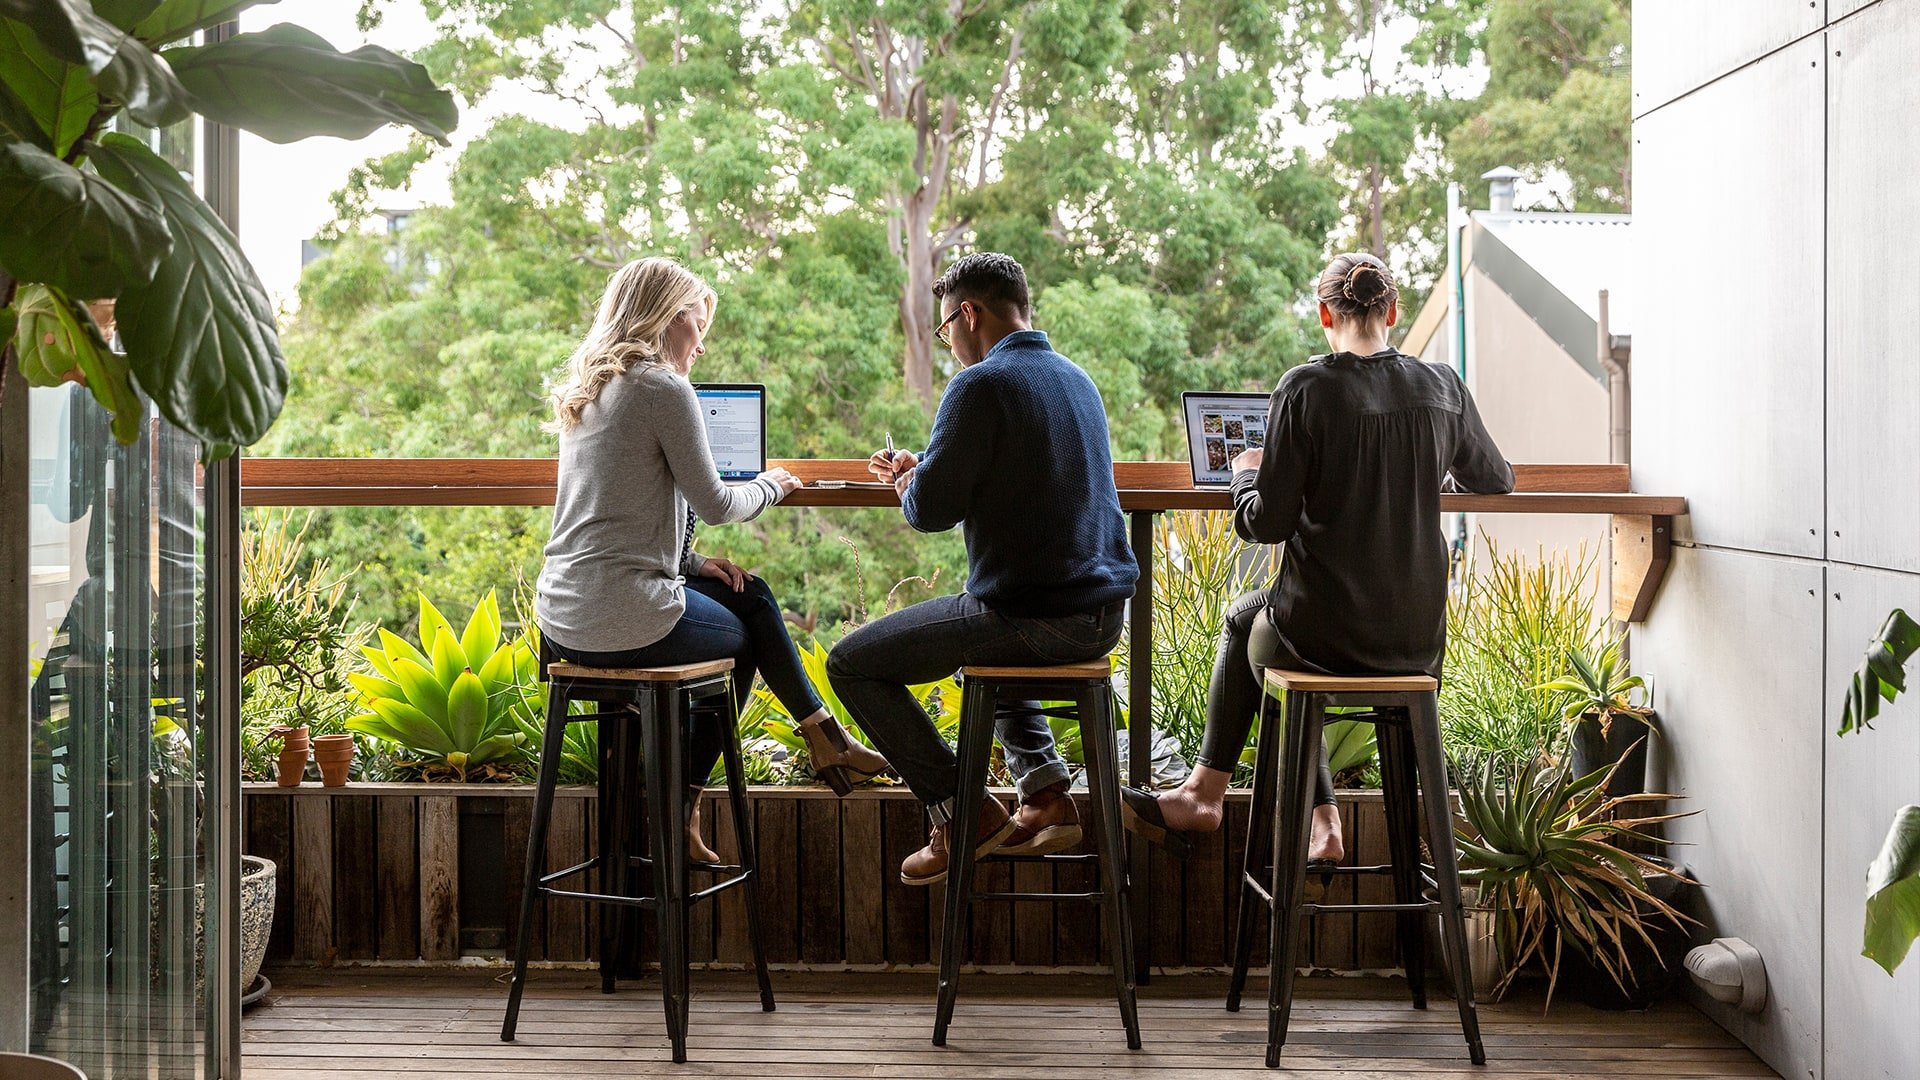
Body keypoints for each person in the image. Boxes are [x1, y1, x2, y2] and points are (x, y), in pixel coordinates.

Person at [1121, 252, 1513, 871]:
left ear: (1325, 314)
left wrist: (1243, 479)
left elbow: (1267, 525)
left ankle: (1212, 796)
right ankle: (1317, 819)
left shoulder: (1306, 387)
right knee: (1267, 632)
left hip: (1323, 633)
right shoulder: (1443, 386)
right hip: (1416, 641)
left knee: (1247, 625)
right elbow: (1495, 479)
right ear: (1391, 311)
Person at [536, 257, 890, 863]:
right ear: (667, 319)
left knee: (749, 592)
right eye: (697, 325)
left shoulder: (591, 388)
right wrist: (777, 482)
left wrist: (693, 564)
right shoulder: (660, 386)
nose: (701, 344)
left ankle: (823, 736)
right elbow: (722, 503)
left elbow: (614, 515)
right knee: (745, 640)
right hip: (619, 618)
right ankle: (681, 809)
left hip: (563, 617)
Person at [826, 252, 1139, 886]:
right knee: (985, 635)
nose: (948, 344)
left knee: (850, 664)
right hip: (1102, 614)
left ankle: (960, 812)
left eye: (945, 329)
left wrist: (905, 481)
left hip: (1040, 616)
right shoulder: (1074, 377)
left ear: (968, 314)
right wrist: (929, 467)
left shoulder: (980, 383)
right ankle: (1047, 793)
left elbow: (930, 511)